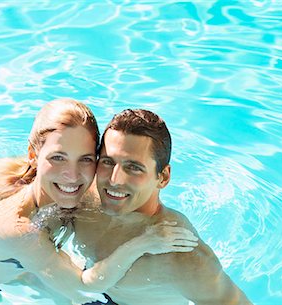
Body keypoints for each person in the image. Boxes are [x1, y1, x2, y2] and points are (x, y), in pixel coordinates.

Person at [0, 99, 199, 304]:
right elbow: (85, 284)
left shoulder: (57, 190)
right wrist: (144, 243)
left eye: (85, 159)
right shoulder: (15, 228)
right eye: (58, 157)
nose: (72, 176)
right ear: (33, 155)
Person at [67, 109, 253, 305]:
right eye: (108, 162)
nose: (114, 180)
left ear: (163, 177)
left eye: (134, 167)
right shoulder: (82, 198)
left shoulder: (181, 255)